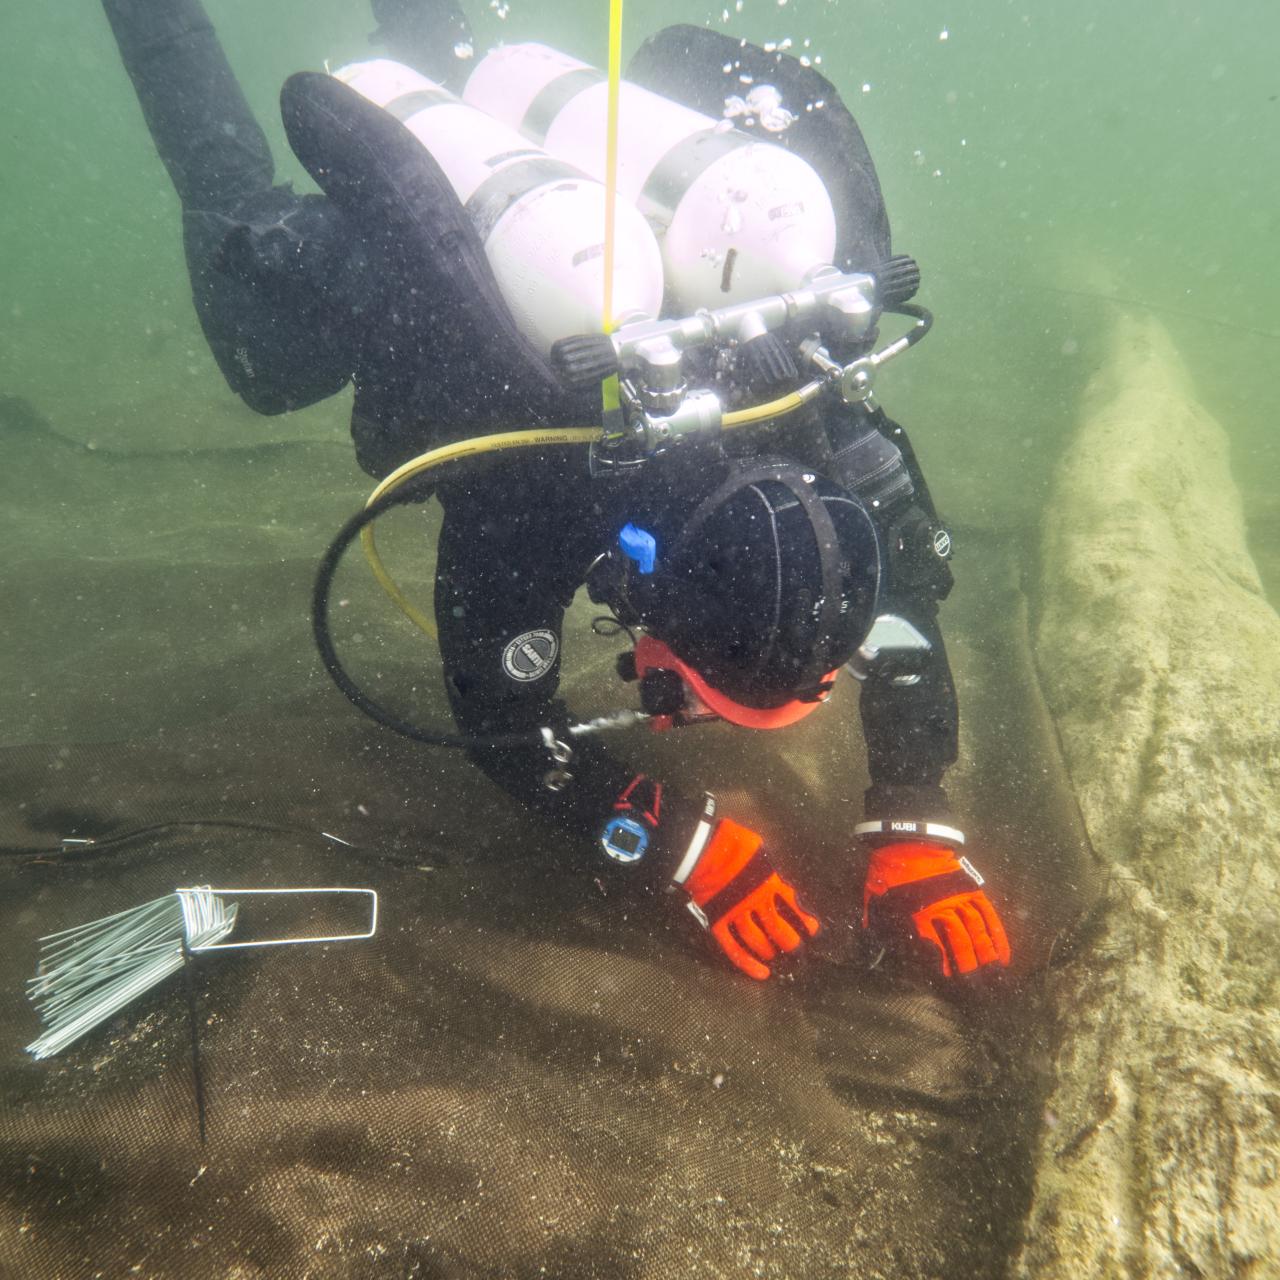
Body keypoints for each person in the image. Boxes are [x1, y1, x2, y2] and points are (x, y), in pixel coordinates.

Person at [100, 0, 1011, 983]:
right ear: (653, 595)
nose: (694, 717)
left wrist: (914, 819)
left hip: (566, 247)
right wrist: (673, 841)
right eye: (701, 696)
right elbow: (498, 719)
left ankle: (438, 59)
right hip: (404, 278)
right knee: (263, 358)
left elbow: (904, 609)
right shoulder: (532, 497)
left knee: (445, 104)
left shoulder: (817, 414)